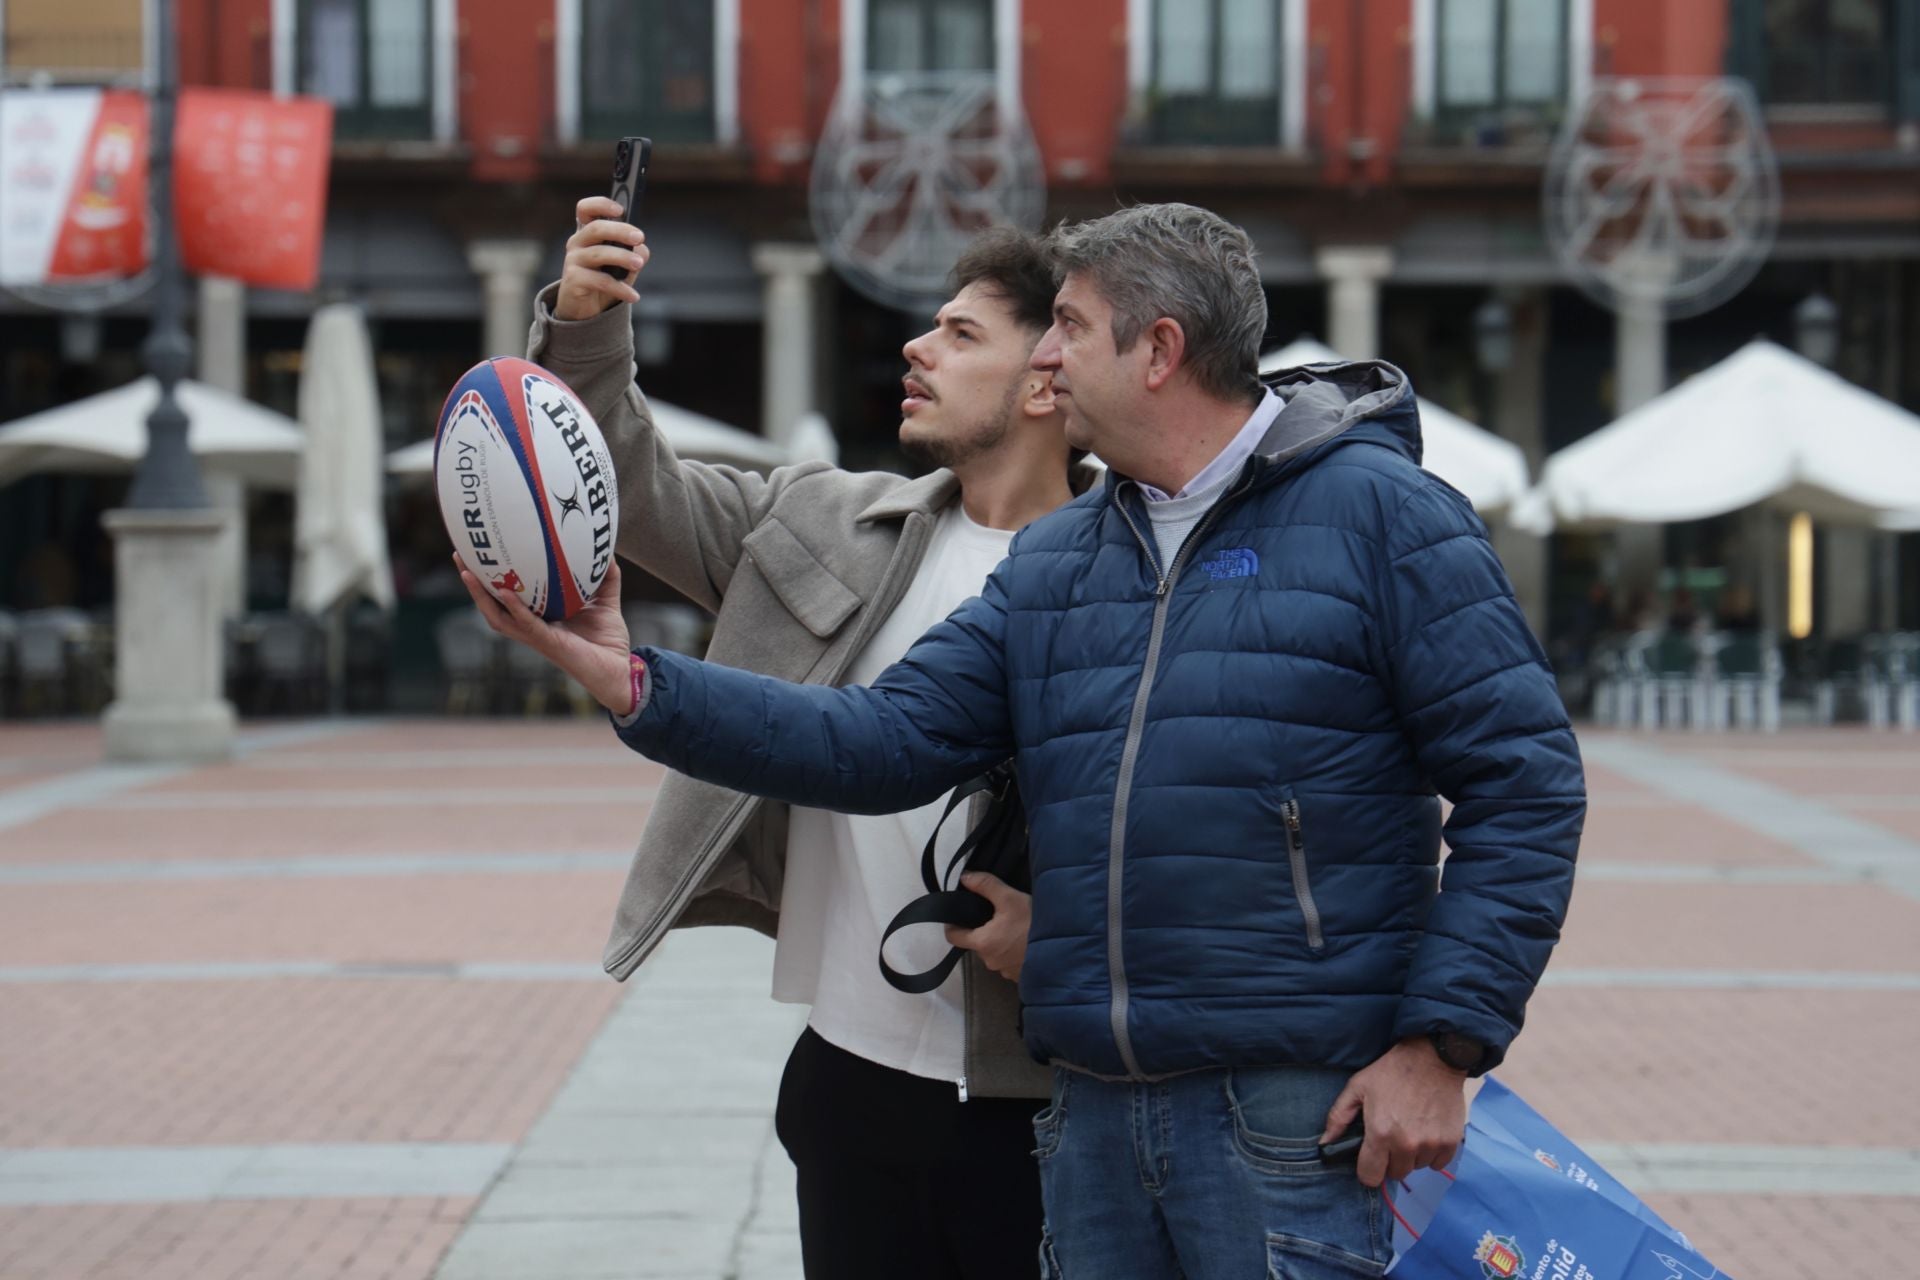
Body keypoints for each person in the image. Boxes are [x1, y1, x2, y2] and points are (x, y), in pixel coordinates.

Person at [475, 203, 1585, 1278]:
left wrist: (1442, 1048)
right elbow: (879, 740)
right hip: (1090, 1113)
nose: (1047, 355)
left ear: (1159, 349)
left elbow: (1525, 787)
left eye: (1066, 325)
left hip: (1289, 1112)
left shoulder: (1384, 514)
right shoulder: (1065, 560)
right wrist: (635, 681)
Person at [519, 199, 1083, 1280]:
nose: (918, 345)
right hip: (849, 1076)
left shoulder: (1127, 576)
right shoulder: (830, 519)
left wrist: (1068, 934)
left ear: (1050, 376)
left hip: (1041, 1101)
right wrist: (587, 326)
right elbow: (628, 489)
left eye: (963, 334)